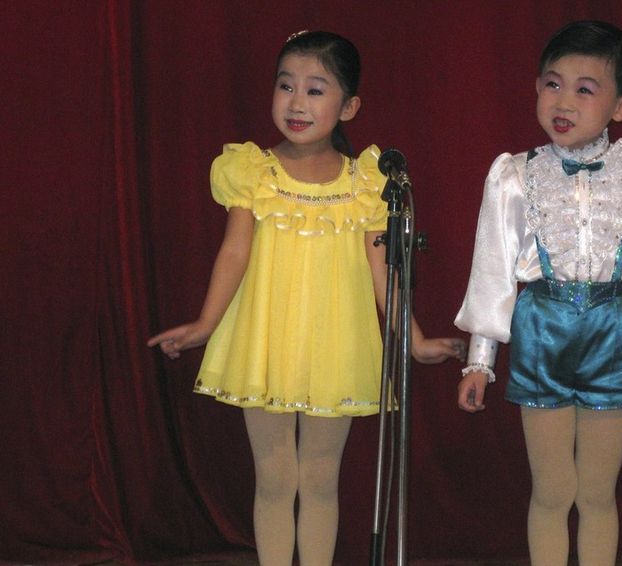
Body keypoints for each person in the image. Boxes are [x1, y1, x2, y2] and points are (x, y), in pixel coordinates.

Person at [148, 30, 464, 566]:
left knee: (320, 479)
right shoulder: (253, 172)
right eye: (286, 85)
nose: (297, 102)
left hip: (334, 344)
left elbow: (384, 268)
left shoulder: (367, 180)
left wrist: (413, 340)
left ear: (350, 105)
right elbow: (234, 252)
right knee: (274, 478)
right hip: (264, 340)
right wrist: (205, 323)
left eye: (316, 90)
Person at [454, 21, 622, 566]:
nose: (564, 102)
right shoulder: (513, 175)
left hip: (613, 331)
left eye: (585, 88)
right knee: (552, 490)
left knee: (597, 492)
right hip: (541, 330)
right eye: (553, 84)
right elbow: (493, 269)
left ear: (621, 106)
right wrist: (480, 360)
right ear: (536, 88)